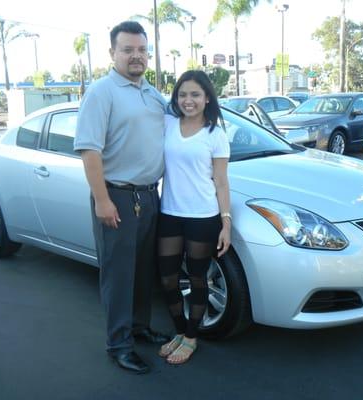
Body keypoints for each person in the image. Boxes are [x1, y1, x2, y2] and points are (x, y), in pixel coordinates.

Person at [74, 20, 169, 375]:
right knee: (118, 275)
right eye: (127, 49)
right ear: (112, 52)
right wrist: (102, 199)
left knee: (143, 271)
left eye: (142, 50)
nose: (136, 56)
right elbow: (89, 151)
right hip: (117, 197)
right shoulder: (102, 92)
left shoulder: (151, 92)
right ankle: (119, 344)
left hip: (149, 196)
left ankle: (140, 328)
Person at [156, 70, 231, 365]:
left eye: (195, 94)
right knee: (168, 277)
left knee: (198, 278)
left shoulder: (216, 134)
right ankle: (178, 330)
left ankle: (191, 336)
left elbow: (221, 181)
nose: (188, 100)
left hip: (203, 215)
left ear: (207, 97)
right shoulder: (168, 124)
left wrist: (226, 222)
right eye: (183, 94)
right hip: (170, 212)